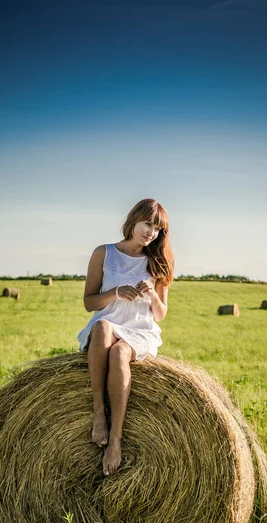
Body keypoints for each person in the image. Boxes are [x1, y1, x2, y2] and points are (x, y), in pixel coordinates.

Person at [77, 198, 174, 476]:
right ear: (133, 220)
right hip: (107, 324)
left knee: (120, 353)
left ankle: (115, 439)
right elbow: (89, 302)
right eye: (147, 224)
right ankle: (99, 414)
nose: (151, 233)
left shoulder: (158, 262)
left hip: (139, 330)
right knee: (103, 327)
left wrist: (153, 293)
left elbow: (160, 314)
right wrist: (116, 293)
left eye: (157, 229)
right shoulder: (104, 253)